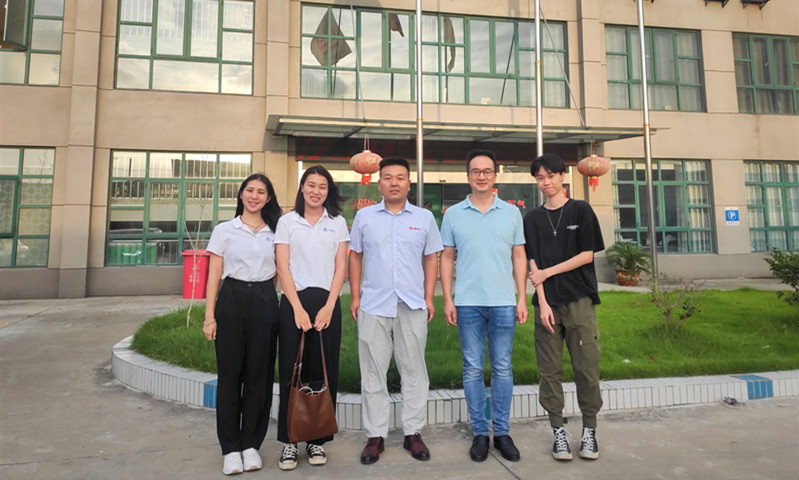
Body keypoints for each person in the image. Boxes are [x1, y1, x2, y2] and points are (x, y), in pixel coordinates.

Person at [348, 157, 443, 465]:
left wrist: (429, 297)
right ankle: (375, 436)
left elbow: (431, 257)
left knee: (414, 370)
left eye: (400, 177)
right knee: (373, 371)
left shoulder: (424, 218)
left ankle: (413, 433)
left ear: (408, 183)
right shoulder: (364, 217)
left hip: (412, 304)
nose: (394, 183)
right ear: (379, 183)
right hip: (374, 304)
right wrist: (355, 296)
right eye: (387, 177)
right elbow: (355, 255)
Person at [439, 149, 529, 463]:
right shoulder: (453, 214)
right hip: (467, 303)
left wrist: (521, 297)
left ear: (495, 175)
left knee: (503, 367)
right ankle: (480, 432)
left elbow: (519, 255)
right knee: (472, 368)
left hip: (503, 301)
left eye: (487, 171)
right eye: (475, 171)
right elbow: (446, 257)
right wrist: (447, 298)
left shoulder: (511, 213)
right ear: (468, 176)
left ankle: (502, 432)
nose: (481, 176)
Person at [523, 153, 605, 461]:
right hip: (547, 305)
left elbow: (587, 255)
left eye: (551, 176)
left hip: (579, 300)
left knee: (586, 367)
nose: (546, 182)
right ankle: (558, 430)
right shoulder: (532, 218)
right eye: (540, 178)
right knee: (549, 371)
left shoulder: (581, 210)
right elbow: (532, 263)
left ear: (562, 176)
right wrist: (542, 302)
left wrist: (548, 272)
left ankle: (589, 430)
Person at [202, 173, 282, 475]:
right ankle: (230, 449)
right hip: (232, 299)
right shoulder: (225, 230)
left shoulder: (276, 231)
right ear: (241, 194)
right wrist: (210, 316)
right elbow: (214, 274)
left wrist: (265, 297)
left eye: (261, 192)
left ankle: (251, 445)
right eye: (250, 190)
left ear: (268, 198)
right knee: (230, 376)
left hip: (264, 300)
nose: (254, 196)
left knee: (259, 375)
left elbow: (278, 272)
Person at [274, 165, 349, 470]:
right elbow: (282, 266)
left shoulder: (338, 223)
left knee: (324, 368)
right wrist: (296, 307)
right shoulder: (287, 222)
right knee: (292, 369)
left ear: (328, 191)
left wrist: (330, 306)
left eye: (322, 186)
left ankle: (317, 440)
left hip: (327, 302)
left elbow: (341, 267)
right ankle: (290, 441)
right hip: (295, 301)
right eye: (311, 185)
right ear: (302, 188)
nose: (316, 191)